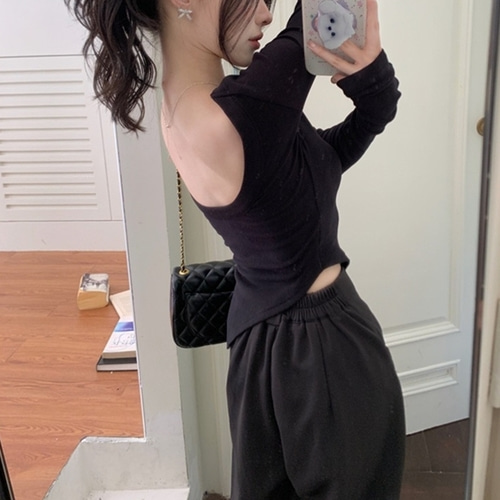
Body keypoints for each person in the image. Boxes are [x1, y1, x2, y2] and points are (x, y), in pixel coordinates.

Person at [65, 0, 405, 497]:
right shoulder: (236, 115)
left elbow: (316, 165)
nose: (266, 13)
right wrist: (378, 88)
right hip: (320, 352)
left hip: (262, 343)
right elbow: (310, 21)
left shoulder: (194, 106)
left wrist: (376, 100)